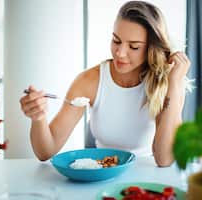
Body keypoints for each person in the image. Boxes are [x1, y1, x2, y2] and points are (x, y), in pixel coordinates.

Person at [20, 1, 190, 167]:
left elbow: (164, 159)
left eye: (134, 47)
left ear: (151, 49)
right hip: (102, 173)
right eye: (116, 41)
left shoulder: (167, 84)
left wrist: (174, 86)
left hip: (144, 175)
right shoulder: (89, 81)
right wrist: (38, 118)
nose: (120, 53)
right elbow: (45, 152)